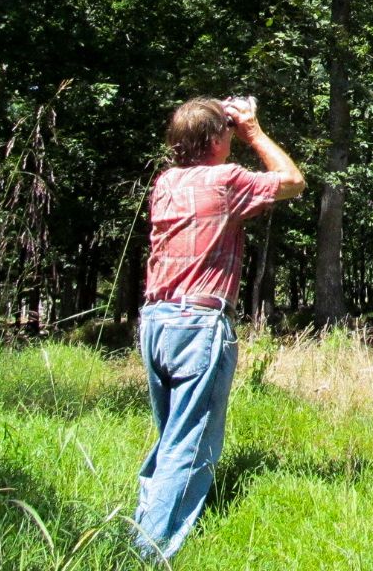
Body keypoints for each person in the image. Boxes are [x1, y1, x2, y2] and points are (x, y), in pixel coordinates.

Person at [132, 95, 305, 563]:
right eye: (226, 131)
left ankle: (137, 531)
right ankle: (148, 552)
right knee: (188, 445)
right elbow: (292, 181)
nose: (231, 137)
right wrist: (253, 131)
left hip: (155, 322)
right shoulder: (225, 179)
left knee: (171, 438)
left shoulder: (165, 182)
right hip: (198, 325)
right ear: (214, 139)